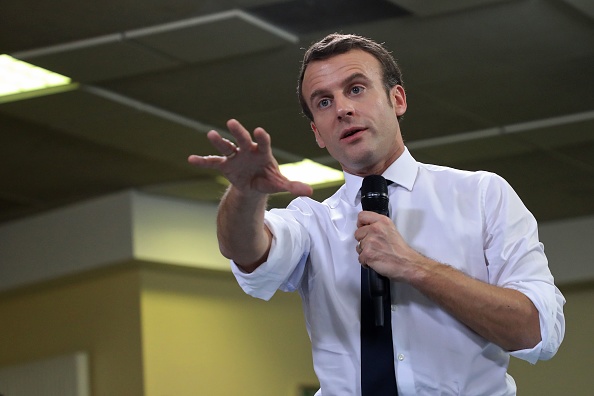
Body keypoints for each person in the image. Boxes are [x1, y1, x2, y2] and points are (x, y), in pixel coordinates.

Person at [188, 33, 565, 395]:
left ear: (397, 99)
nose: (342, 109)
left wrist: (416, 267)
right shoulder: (311, 221)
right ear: (318, 133)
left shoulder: (482, 194)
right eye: (323, 102)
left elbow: (536, 333)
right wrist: (245, 194)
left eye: (356, 88)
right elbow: (246, 250)